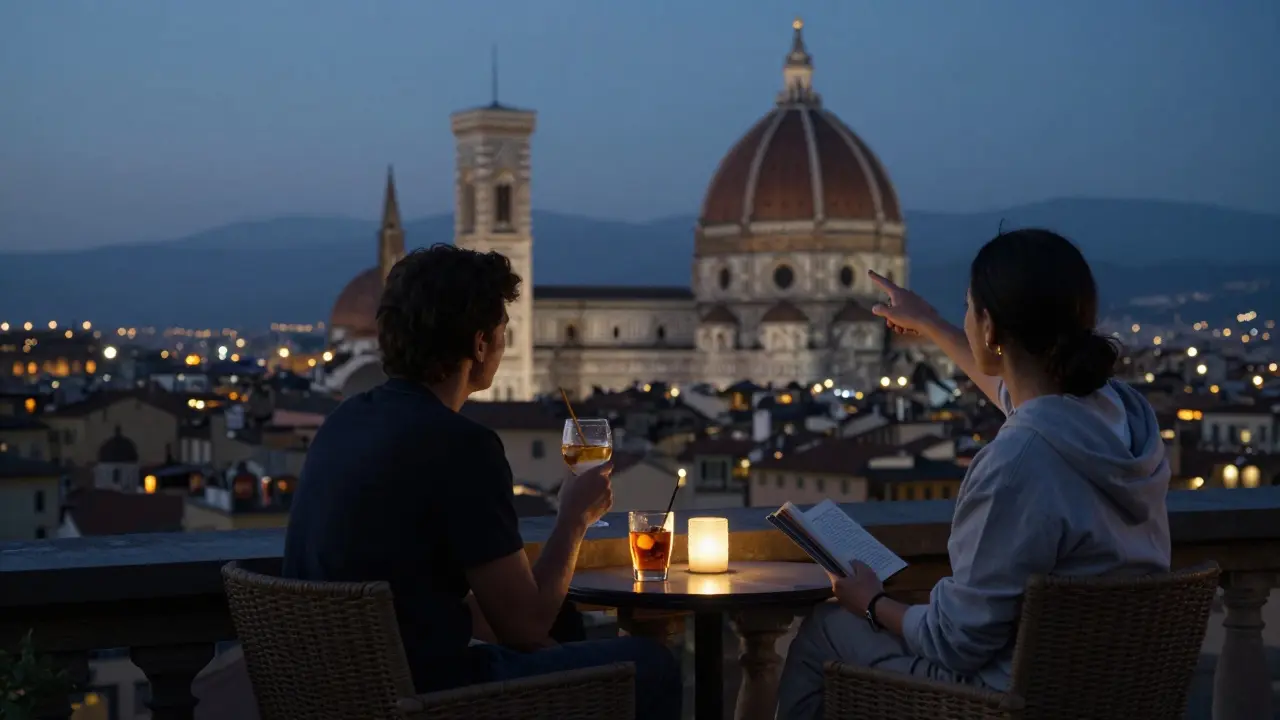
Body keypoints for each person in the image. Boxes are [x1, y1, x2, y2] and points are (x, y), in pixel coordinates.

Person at [776, 229, 1172, 719]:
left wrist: (871, 602)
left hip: (1005, 696)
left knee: (826, 628)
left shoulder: (1020, 461)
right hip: (1106, 688)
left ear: (989, 329)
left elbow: (956, 643)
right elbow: (1022, 398)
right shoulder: (1123, 419)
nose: (964, 322)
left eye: (969, 309)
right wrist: (930, 323)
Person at [283, 244, 680, 719]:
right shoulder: (460, 445)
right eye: (503, 331)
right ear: (479, 344)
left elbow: (430, 594)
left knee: (569, 625)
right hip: (433, 698)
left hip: (344, 694)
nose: (503, 343)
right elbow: (526, 627)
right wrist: (573, 516)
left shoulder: (344, 421)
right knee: (653, 665)